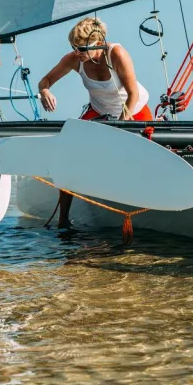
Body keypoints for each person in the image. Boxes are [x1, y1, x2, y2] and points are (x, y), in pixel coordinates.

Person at [37, 16, 153, 228]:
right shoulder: (74, 59)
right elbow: (44, 81)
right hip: (99, 111)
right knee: (69, 155)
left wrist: (121, 127)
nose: (76, 52)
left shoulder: (117, 53)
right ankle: (63, 220)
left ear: (98, 43)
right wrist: (45, 91)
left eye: (81, 48)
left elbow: (132, 93)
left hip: (134, 110)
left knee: (144, 153)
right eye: (73, 47)